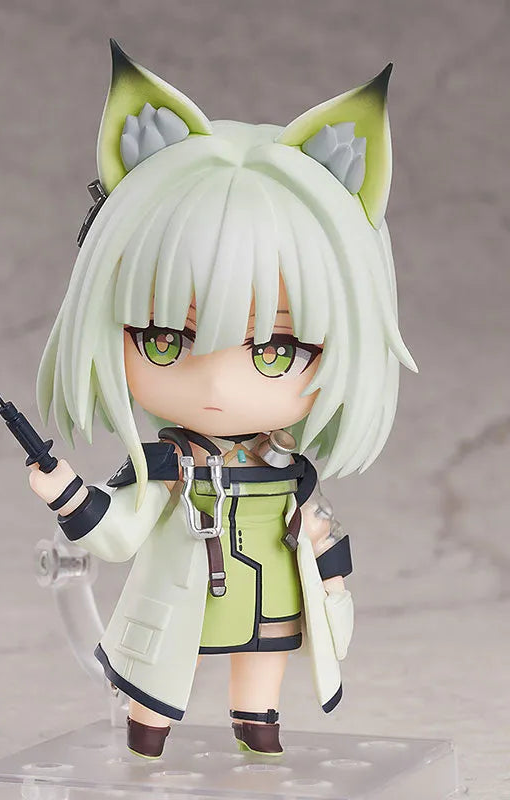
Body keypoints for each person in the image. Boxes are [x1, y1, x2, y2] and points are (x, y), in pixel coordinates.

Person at [28, 40, 416, 758]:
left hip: (269, 593)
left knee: (263, 669)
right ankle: (148, 736)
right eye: (164, 339)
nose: (216, 385)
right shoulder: (167, 464)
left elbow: (321, 530)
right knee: (155, 692)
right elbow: (119, 531)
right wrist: (66, 494)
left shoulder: (289, 468)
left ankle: (257, 722)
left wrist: (332, 577)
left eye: (276, 351)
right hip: (179, 602)